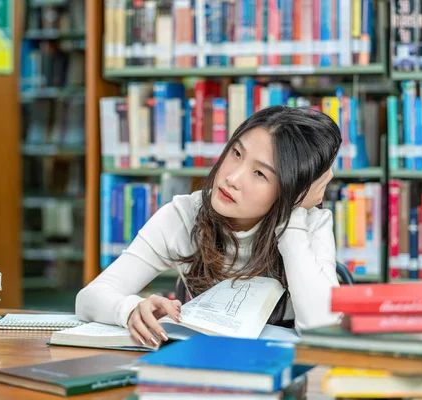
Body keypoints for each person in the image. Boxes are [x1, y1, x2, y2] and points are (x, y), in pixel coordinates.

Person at [76, 105, 343, 347]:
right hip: (204, 364)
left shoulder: (310, 225)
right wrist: (130, 309)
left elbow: (322, 328)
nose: (232, 178)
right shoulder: (184, 216)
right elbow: (89, 298)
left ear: (291, 190)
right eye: (236, 153)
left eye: (260, 173)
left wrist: (292, 216)